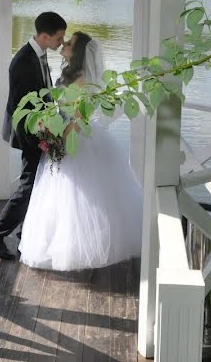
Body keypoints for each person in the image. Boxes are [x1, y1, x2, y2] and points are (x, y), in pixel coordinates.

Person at [18, 31, 143, 271]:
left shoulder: (84, 79)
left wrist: (60, 138)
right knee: (62, 197)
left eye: (70, 42)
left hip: (76, 137)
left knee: (81, 196)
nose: (64, 43)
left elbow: (79, 116)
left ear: (80, 52)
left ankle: (84, 246)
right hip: (64, 131)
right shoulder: (70, 73)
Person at [0, 11, 67, 260]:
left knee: (34, 184)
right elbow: (19, 108)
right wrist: (40, 140)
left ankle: (25, 231)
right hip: (30, 133)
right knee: (27, 186)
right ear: (44, 36)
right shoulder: (23, 61)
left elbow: (43, 95)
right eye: (59, 38)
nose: (61, 43)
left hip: (41, 129)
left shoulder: (39, 55)